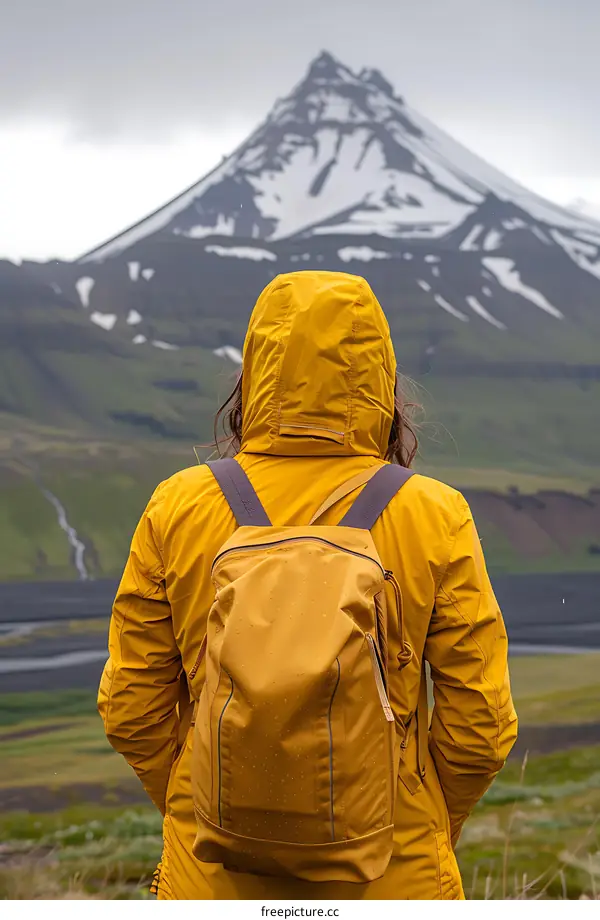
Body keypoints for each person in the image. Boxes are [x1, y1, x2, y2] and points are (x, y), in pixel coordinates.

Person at [98, 270, 517, 900]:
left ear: (254, 372)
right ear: (383, 382)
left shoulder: (178, 505)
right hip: (394, 879)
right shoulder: (435, 514)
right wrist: (425, 823)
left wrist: (200, 808)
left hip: (209, 881)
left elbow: (132, 708)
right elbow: (479, 726)